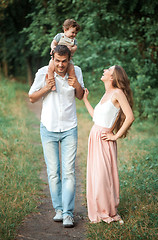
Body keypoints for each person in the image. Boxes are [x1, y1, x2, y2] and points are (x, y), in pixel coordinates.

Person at [28, 45, 84, 228]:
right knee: (53, 173)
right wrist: (47, 88)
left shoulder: (76, 72)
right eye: (57, 60)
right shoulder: (43, 72)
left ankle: (68, 213)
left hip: (69, 128)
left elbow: (81, 95)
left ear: (69, 60)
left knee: (68, 172)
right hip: (48, 128)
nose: (60, 65)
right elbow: (32, 97)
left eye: (64, 61)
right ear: (52, 57)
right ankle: (58, 210)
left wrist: (76, 85)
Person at [83, 65, 134, 224]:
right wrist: (85, 100)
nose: (104, 70)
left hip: (105, 138)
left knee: (103, 176)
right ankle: (98, 210)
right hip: (95, 137)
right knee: (95, 175)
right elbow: (96, 117)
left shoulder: (118, 93)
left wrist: (116, 136)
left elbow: (130, 116)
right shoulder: (106, 94)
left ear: (112, 77)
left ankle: (107, 210)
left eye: (108, 70)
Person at [48, 19, 81, 91]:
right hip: (56, 59)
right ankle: (52, 84)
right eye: (72, 32)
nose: (74, 35)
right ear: (65, 30)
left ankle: (71, 84)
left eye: (76, 33)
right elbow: (53, 42)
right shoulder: (60, 36)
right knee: (50, 69)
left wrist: (71, 49)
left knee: (72, 70)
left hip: (68, 60)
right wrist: (53, 48)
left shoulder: (74, 40)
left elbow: (75, 47)